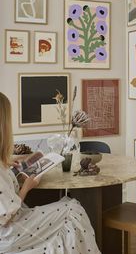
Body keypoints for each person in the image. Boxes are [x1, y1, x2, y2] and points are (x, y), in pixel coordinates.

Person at [0, 92, 101, 254]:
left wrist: (6, 163)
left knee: (68, 207)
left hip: (9, 231)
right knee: (72, 209)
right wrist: (26, 187)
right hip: (9, 234)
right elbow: (6, 217)